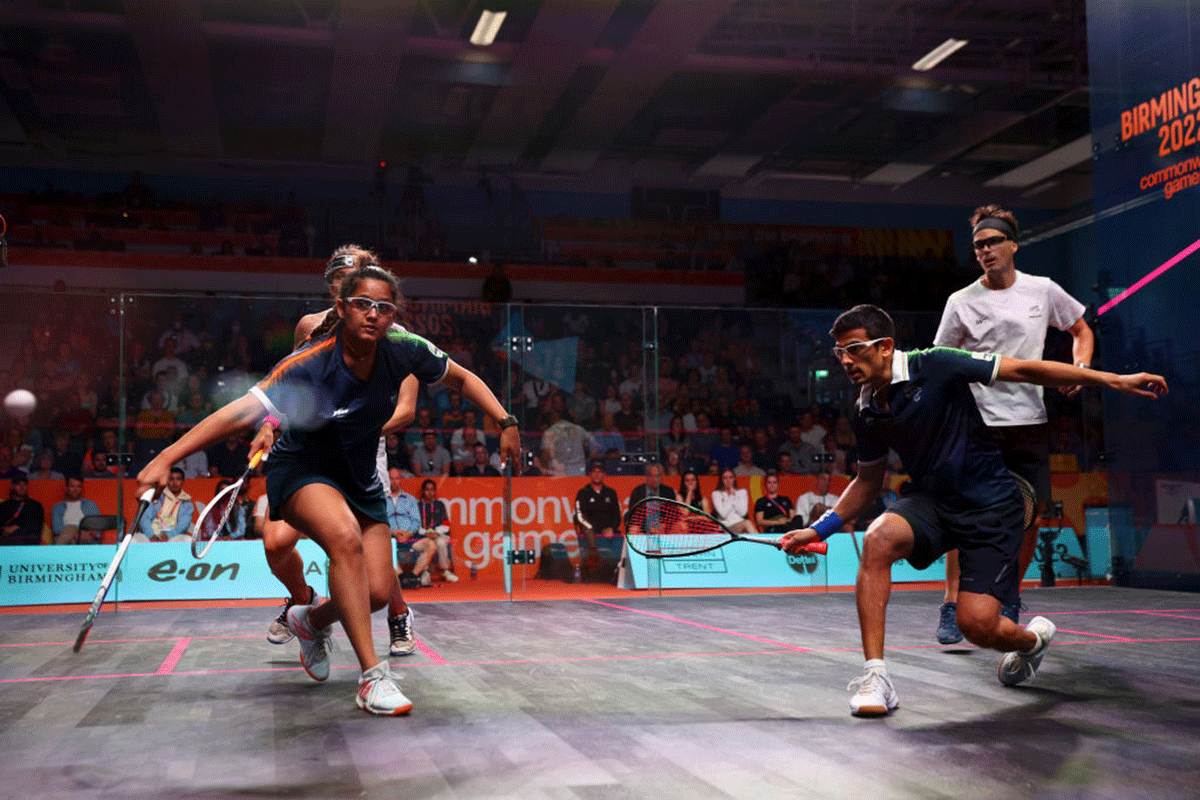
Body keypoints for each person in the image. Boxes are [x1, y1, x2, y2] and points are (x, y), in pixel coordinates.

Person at [137, 263, 520, 715]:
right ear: (342, 307)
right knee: (343, 537)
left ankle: (311, 619)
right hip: (302, 469)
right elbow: (240, 413)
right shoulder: (310, 362)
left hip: (358, 477)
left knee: (377, 592)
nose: (373, 314)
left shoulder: (404, 349)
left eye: (383, 307)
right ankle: (372, 678)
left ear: (392, 315)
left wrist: (505, 421)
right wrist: (166, 456)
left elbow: (462, 377)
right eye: (363, 304)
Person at [781, 304, 1166, 718]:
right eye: (840, 352)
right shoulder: (866, 408)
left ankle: (1032, 641)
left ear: (886, 346)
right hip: (934, 502)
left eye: (853, 349)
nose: (845, 360)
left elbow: (1026, 370)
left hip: (991, 507)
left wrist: (1113, 380)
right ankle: (877, 678)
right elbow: (867, 482)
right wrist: (819, 530)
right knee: (878, 539)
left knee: (977, 626)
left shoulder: (937, 364)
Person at [932, 204, 1095, 645]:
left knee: (1030, 516)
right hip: (977, 424)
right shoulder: (960, 302)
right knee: (963, 515)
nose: (984, 250)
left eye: (992, 242)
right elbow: (941, 361)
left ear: (1012, 244)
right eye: (978, 245)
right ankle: (951, 601)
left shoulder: (1042, 290)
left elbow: (1081, 330)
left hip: (1029, 421)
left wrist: (1079, 369)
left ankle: (1010, 599)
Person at [258, 246, 422, 665]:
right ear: (335, 291)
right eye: (338, 279)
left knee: (366, 549)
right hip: (306, 450)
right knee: (276, 544)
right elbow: (287, 389)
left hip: (364, 451)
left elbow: (406, 408)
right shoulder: (309, 328)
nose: (344, 284)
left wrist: (357, 426)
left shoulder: (392, 336)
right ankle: (305, 604)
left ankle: (396, 616)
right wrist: (268, 425)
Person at [574, 460, 622, 574]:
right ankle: (593, 568)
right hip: (591, 531)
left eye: (600, 471)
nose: (597, 474)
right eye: (594, 471)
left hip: (609, 531)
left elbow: (616, 516)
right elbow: (579, 516)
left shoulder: (610, 492)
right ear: (589, 474)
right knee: (588, 531)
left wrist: (611, 528)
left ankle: (617, 571)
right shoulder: (583, 493)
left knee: (621, 539)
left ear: (604, 474)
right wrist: (596, 529)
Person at [411, 479, 456, 585]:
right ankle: (425, 571)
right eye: (427, 489)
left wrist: (436, 532)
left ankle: (445, 571)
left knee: (441, 542)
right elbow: (414, 525)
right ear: (423, 491)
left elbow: (446, 524)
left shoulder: (440, 504)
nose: (429, 492)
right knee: (425, 544)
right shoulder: (416, 506)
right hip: (422, 536)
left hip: (438, 534)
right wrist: (425, 533)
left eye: (432, 490)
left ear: (435, 491)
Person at [136, 467, 195, 542]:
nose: (174, 482)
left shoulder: (187, 504)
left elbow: (182, 526)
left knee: (188, 540)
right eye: (171, 479)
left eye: (178, 479)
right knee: (134, 540)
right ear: (166, 481)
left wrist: (167, 536)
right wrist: (151, 535)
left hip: (171, 537)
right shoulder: (157, 496)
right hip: (150, 535)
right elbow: (144, 518)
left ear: (183, 481)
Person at [52, 475, 102, 544]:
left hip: (85, 538)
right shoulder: (57, 508)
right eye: (72, 486)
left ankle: (56, 552)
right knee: (70, 534)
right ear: (66, 488)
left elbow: (98, 527)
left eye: (78, 486)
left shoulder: (90, 505)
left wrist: (76, 532)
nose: (75, 489)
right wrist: (76, 535)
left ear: (81, 489)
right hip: (67, 537)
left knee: (69, 529)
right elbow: (57, 530)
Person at [0, 475, 44, 545]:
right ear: (12, 486)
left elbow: (36, 525)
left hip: (26, 538)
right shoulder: (4, 505)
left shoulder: (35, 505)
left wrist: (16, 527)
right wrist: (4, 530)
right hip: (6, 538)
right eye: (18, 484)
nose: (22, 487)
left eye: (24, 485)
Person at [711, 468, 756, 534]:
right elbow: (723, 515)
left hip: (740, 524)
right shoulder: (716, 494)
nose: (728, 480)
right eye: (725, 478)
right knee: (747, 523)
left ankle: (761, 543)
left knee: (747, 525)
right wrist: (731, 496)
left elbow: (742, 513)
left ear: (734, 479)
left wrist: (735, 495)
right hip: (725, 528)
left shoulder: (742, 492)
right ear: (721, 480)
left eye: (730, 477)